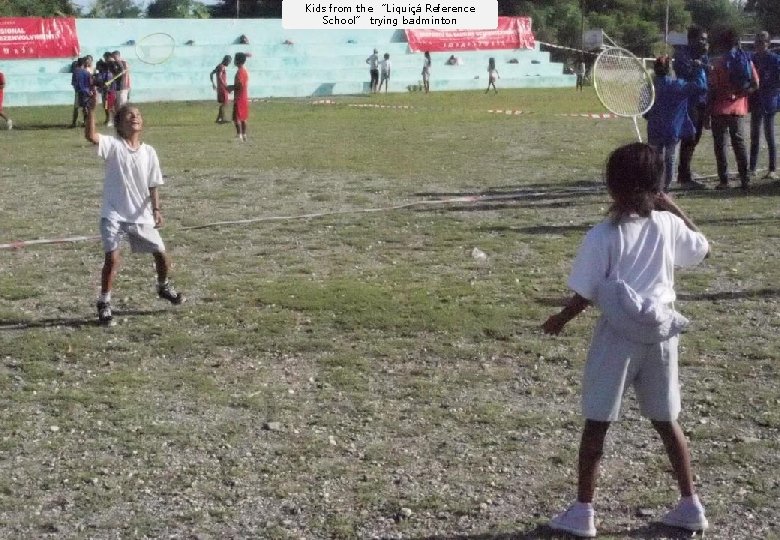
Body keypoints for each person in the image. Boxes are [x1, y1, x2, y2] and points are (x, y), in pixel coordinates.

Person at [543, 143, 710, 538]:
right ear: (658, 186)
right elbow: (702, 249)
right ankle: (690, 504)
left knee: (597, 421)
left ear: (612, 188)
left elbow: (585, 292)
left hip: (618, 336)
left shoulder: (604, 234)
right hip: (661, 334)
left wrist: (560, 320)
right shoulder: (668, 226)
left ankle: (584, 511)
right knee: (667, 421)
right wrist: (674, 209)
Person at [84, 103, 185, 324]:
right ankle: (104, 302)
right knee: (112, 258)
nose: (135, 118)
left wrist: (156, 210)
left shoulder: (149, 152)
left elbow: (153, 184)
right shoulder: (113, 146)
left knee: (161, 254)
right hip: (113, 214)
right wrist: (91, 110)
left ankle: (163, 286)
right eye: (129, 115)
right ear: (119, 123)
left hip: (141, 215)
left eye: (138, 115)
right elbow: (91, 136)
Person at [645, 56, 706, 191]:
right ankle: (666, 187)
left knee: (655, 158)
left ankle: (656, 186)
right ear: (669, 69)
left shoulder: (650, 86)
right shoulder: (677, 85)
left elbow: (644, 108)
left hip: (654, 128)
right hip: (672, 129)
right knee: (670, 157)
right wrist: (698, 69)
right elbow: (701, 87)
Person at [708, 27, 759, 190]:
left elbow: (713, 88)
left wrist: (707, 112)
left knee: (720, 145)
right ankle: (745, 179)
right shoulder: (746, 60)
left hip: (719, 108)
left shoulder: (718, 63)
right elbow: (756, 84)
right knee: (739, 144)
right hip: (738, 108)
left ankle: (724, 181)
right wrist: (740, 95)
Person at [673, 25, 710, 189]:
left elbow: (707, 76)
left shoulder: (703, 55)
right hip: (688, 101)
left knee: (696, 137)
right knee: (689, 136)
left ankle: (685, 172)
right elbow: (683, 74)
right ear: (692, 39)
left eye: (706, 39)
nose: (704, 42)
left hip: (702, 100)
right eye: (701, 39)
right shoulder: (682, 54)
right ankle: (684, 176)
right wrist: (697, 64)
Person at [749, 31, 780, 181]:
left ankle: (772, 168)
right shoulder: (752, 58)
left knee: (769, 135)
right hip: (756, 100)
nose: (759, 45)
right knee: (754, 135)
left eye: (762, 42)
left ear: (768, 43)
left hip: (769, 101)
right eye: (757, 42)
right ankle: (752, 168)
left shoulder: (774, 60)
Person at [228, 52, 249, 141]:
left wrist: (231, 87)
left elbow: (240, 84)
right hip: (244, 97)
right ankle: (244, 134)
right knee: (243, 117)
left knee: (236, 118)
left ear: (237, 61)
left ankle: (239, 135)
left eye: (235, 59)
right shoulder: (244, 71)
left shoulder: (240, 71)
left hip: (239, 97)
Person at [209, 55, 232, 124]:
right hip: (222, 88)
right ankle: (222, 119)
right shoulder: (222, 67)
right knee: (225, 102)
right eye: (229, 62)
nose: (229, 63)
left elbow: (211, 73)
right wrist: (225, 86)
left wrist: (213, 83)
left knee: (224, 103)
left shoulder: (219, 66)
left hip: (220, 87)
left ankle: (219, 119)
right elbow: (219, 76)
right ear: (226, 60)